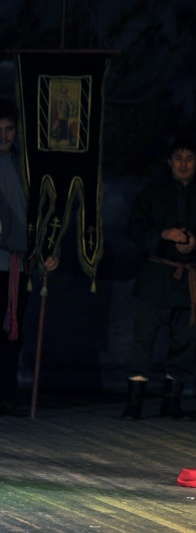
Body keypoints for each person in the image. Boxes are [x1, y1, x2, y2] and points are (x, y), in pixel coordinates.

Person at [121, 138, 196, 420]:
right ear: (169, 162)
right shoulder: (152, 194)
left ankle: (171, 401)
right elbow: (134, 229)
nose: (183, 164)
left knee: (185, 341)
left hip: (189, 280)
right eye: (178, 158)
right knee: (144, 339)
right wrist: (162, 234)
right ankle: (134, 403)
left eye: (189, 159)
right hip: (156, 277)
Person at [0, 99, 59, 416]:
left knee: (12, 333)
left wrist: (49, 251)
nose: (4, 135)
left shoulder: (28, 168)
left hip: (16, 265)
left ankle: (5, 394)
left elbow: (44, 214)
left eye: (9, 129)